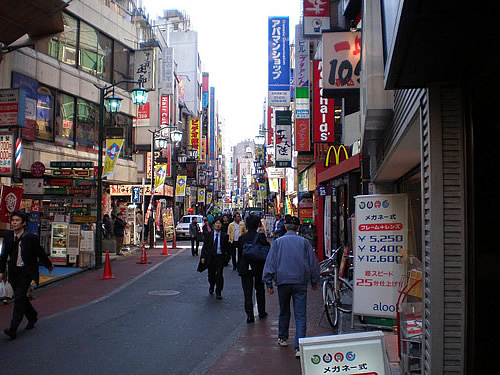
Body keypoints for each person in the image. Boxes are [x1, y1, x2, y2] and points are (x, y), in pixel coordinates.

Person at [262, 215, 320, 358]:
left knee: (284, 310)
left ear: (286, 226)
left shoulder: (278, 242)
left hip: (283, 280)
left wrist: (268, 282)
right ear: (298, 228)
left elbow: (271, 263)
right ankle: (299, 346)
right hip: (300, 281)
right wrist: (314, 281)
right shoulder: (304, 242)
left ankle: (282, 337)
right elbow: (313, 264)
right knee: (300, 314)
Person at [0, 211, 54, 340]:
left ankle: (13, 328)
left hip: (26, 271)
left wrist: (48, 264)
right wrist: (1, 271)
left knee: (18, 297)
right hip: (13, 271)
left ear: (23, 223)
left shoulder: (30, 237)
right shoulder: (8, 237)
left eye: (17, 220)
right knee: (21, 297)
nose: (14, 223)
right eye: (12, 220)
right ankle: (32, 316)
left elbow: (39, 252)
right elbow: (3, 256)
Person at [238, 214, 269, 323]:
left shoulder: (242, 238)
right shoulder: (260, 237)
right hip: (258, 266)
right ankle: (261, 311)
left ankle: (249, 315)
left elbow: (240, 254)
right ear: (257, 225)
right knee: (260, 289)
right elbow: (267, 250)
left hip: (246, 267)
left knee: (247, 292)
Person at [200, 217, 230, 300]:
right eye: (216, 223)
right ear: (213, 225)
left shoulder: (224, 236)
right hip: (211, 257)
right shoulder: (209, 235)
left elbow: (228, 248)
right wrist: (203, 257)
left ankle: (218, 292)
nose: (218, 225)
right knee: (211, 274)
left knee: (219, 275)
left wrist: (227, 259)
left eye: (219, 223)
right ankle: (212, 285)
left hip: (220, 257)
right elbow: (205, 246)